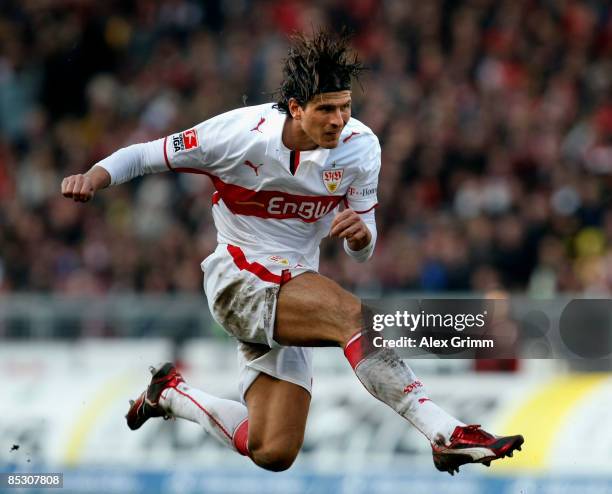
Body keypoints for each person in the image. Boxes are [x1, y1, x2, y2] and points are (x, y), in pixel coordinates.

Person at [61, 30, 523, 475]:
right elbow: (147, 154)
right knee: (354, 318)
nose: (338, 121)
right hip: (238, 278)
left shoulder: (361, 149)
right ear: (296, 108)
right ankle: (444, 432)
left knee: (272, 449)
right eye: (326, 110)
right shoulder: (237, 136)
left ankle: (171, 395)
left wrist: (361, 238)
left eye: (345, 108)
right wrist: (92, 178)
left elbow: (366, 240)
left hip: (292, 287)